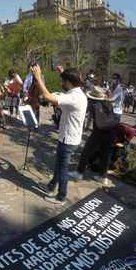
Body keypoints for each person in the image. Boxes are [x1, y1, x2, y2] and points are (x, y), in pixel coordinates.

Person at [31, 65, 87, 205]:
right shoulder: (77, 92)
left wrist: (38, 77)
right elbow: (68, 87)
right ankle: (51, 187)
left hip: (68, 140)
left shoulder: (74, 97)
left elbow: (48, 97)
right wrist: (63, 73)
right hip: (68, 138)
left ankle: (61, 197)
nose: (62, 84)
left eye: (64, 81)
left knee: (62, 170)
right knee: (58, 165)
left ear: (69, 82)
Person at [69, 87, 118, 187]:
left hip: (98, 132)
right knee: (106, 155)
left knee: (86, 151)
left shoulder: (94, 104)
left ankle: (79, 173)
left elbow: (85, 114)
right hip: (112, 132)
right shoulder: (108, 103)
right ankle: (103, 177)